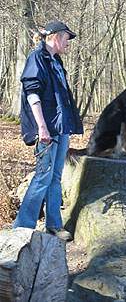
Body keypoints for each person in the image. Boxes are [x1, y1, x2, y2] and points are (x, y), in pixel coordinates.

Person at [13, 20, 83, 241]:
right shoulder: (37, 58)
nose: (68, 43)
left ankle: (54, 225)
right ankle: (23, 228)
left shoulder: (56, 62)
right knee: (42, 176)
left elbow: (61, 99)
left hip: (60, 129)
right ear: (55, 36)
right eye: (66, 38)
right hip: (46, 129)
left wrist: (68, 126)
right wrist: (41, 127)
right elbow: (32, 94)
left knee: (55, 177)